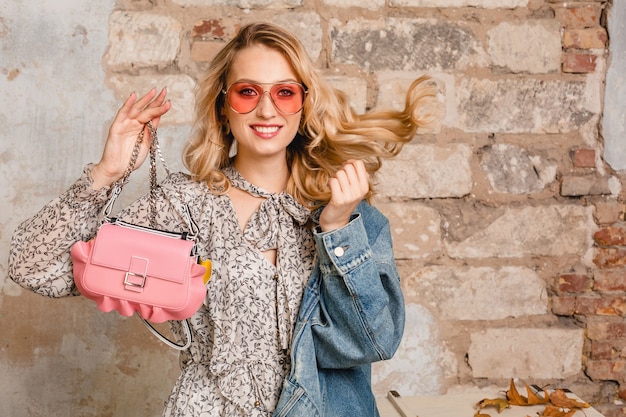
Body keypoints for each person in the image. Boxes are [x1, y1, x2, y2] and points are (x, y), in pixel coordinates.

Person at [9, 22, 436, 417]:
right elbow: (34, 267)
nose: (267, 110)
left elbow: (375, 340)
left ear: (304, 105)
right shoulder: (185, 205)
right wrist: (107, 173)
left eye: (285, 92)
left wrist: (338, 231)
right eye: (248, 92)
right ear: (223, 106)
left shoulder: (350, 214)